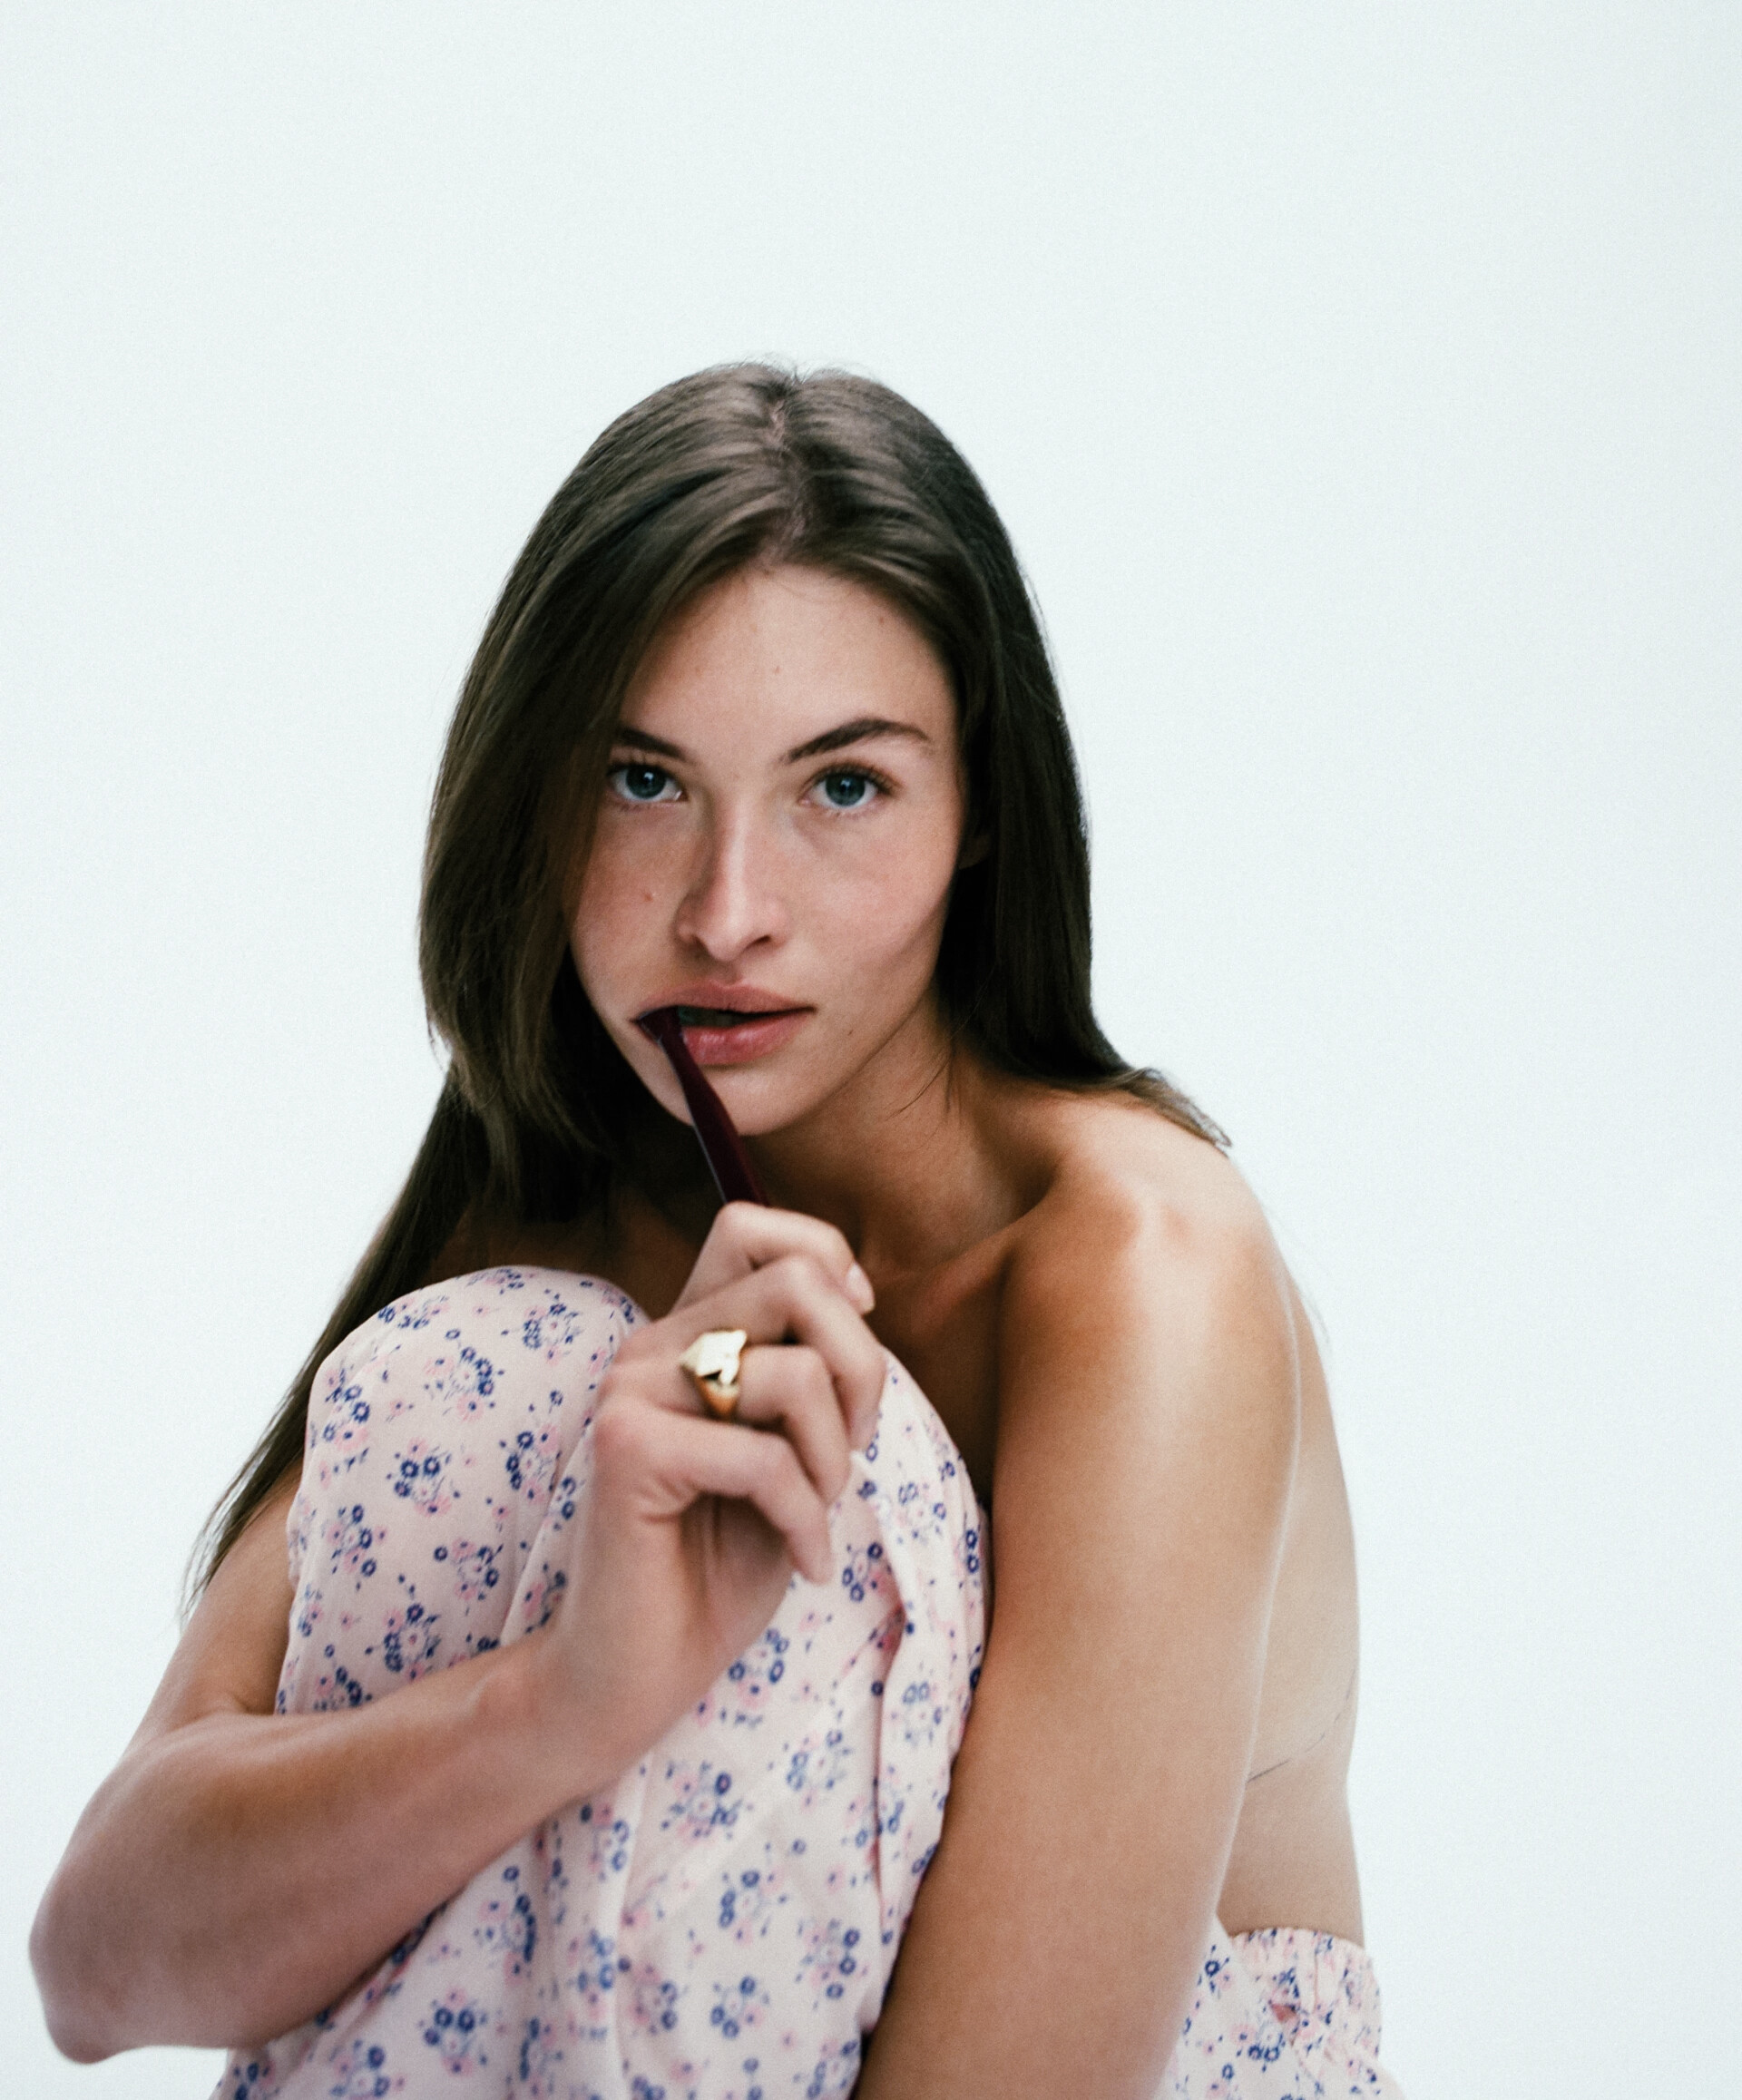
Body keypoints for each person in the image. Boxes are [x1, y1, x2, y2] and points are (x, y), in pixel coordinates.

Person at [31, 365, 1402, 2098]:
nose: (727, 916)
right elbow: (96, 1965)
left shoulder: (1143, 1280)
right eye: (642, 781)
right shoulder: (572, 1219)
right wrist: (568, 1695)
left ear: (982, 812)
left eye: (845, 788)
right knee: (526, 1368)